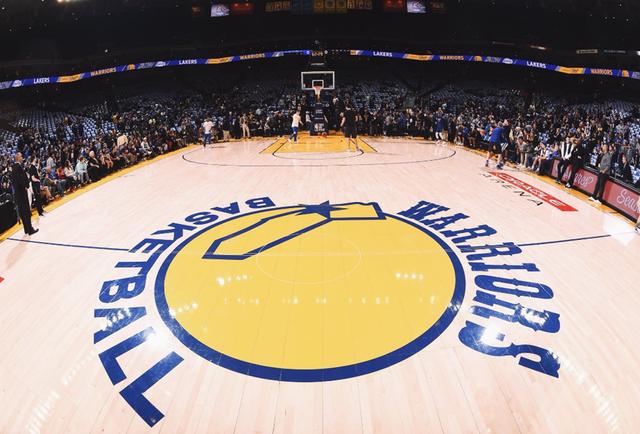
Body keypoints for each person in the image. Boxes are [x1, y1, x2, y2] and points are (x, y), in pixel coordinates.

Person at [9, 153, 38, 235]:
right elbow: (20, 179)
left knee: (22, 212)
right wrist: (25, 186)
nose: (22, 157)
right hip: (22, 192)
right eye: (21, 156)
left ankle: (26, 229)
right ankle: (30, 230)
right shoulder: (18, 167)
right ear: (18, 158)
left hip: (18, 193)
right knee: (26, 211)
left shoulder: (13, 168)